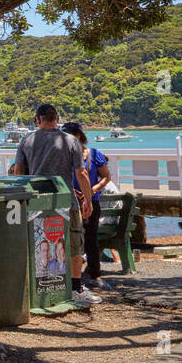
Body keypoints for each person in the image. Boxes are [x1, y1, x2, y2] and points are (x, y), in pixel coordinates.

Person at [11, 104, 97, 306]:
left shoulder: (26, 140)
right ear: (57, 119)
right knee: (75, 242)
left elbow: (19, 173)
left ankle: (37, 287)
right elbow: (81, 173)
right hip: (65, 201)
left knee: (38, 244)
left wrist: (21, 198)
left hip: (35, 202)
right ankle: (76, 288)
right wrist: (88, 200)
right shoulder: (70, 141)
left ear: (37, 120)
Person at [62, 121, 113, 293]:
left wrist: (91, 191)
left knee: (91, 238)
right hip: (70, 201)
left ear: (80, 136)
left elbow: (106, 177)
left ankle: (95, 275)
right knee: (69, 238)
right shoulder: (64, 155)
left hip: (91, 201)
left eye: (72, 135)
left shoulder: (94, 154)